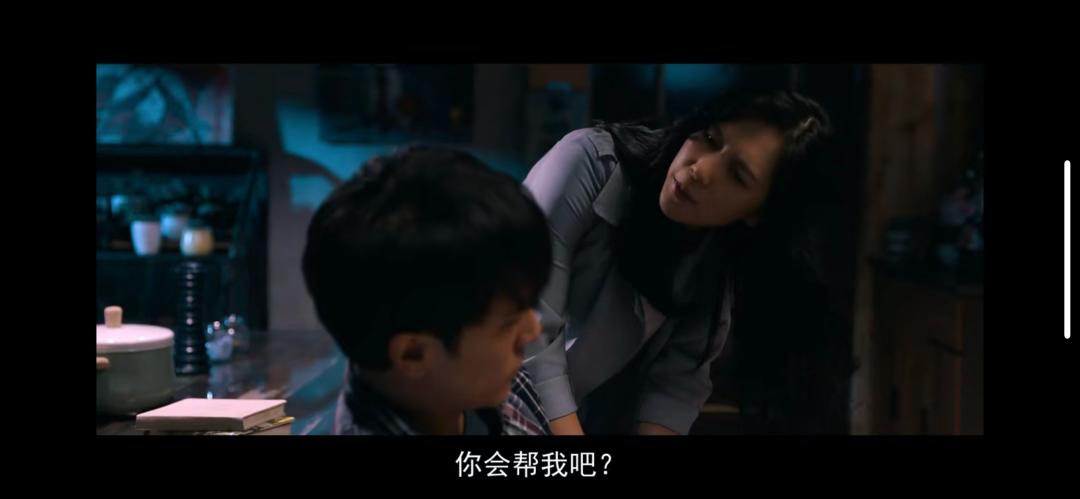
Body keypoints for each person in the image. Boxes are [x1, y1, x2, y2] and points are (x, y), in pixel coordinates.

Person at [523, 85, 849, 435]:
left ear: (760, 213)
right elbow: (525, 326)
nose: (700, 169)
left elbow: (676, 384)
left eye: (737, 175)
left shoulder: (717, 257)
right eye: (709, 138)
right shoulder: (587, 162)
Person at [302, 146, 552, 435]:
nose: (533, 329)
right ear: (413, 354)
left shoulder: (474, 377)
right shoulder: (478, 374)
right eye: (508, 324)